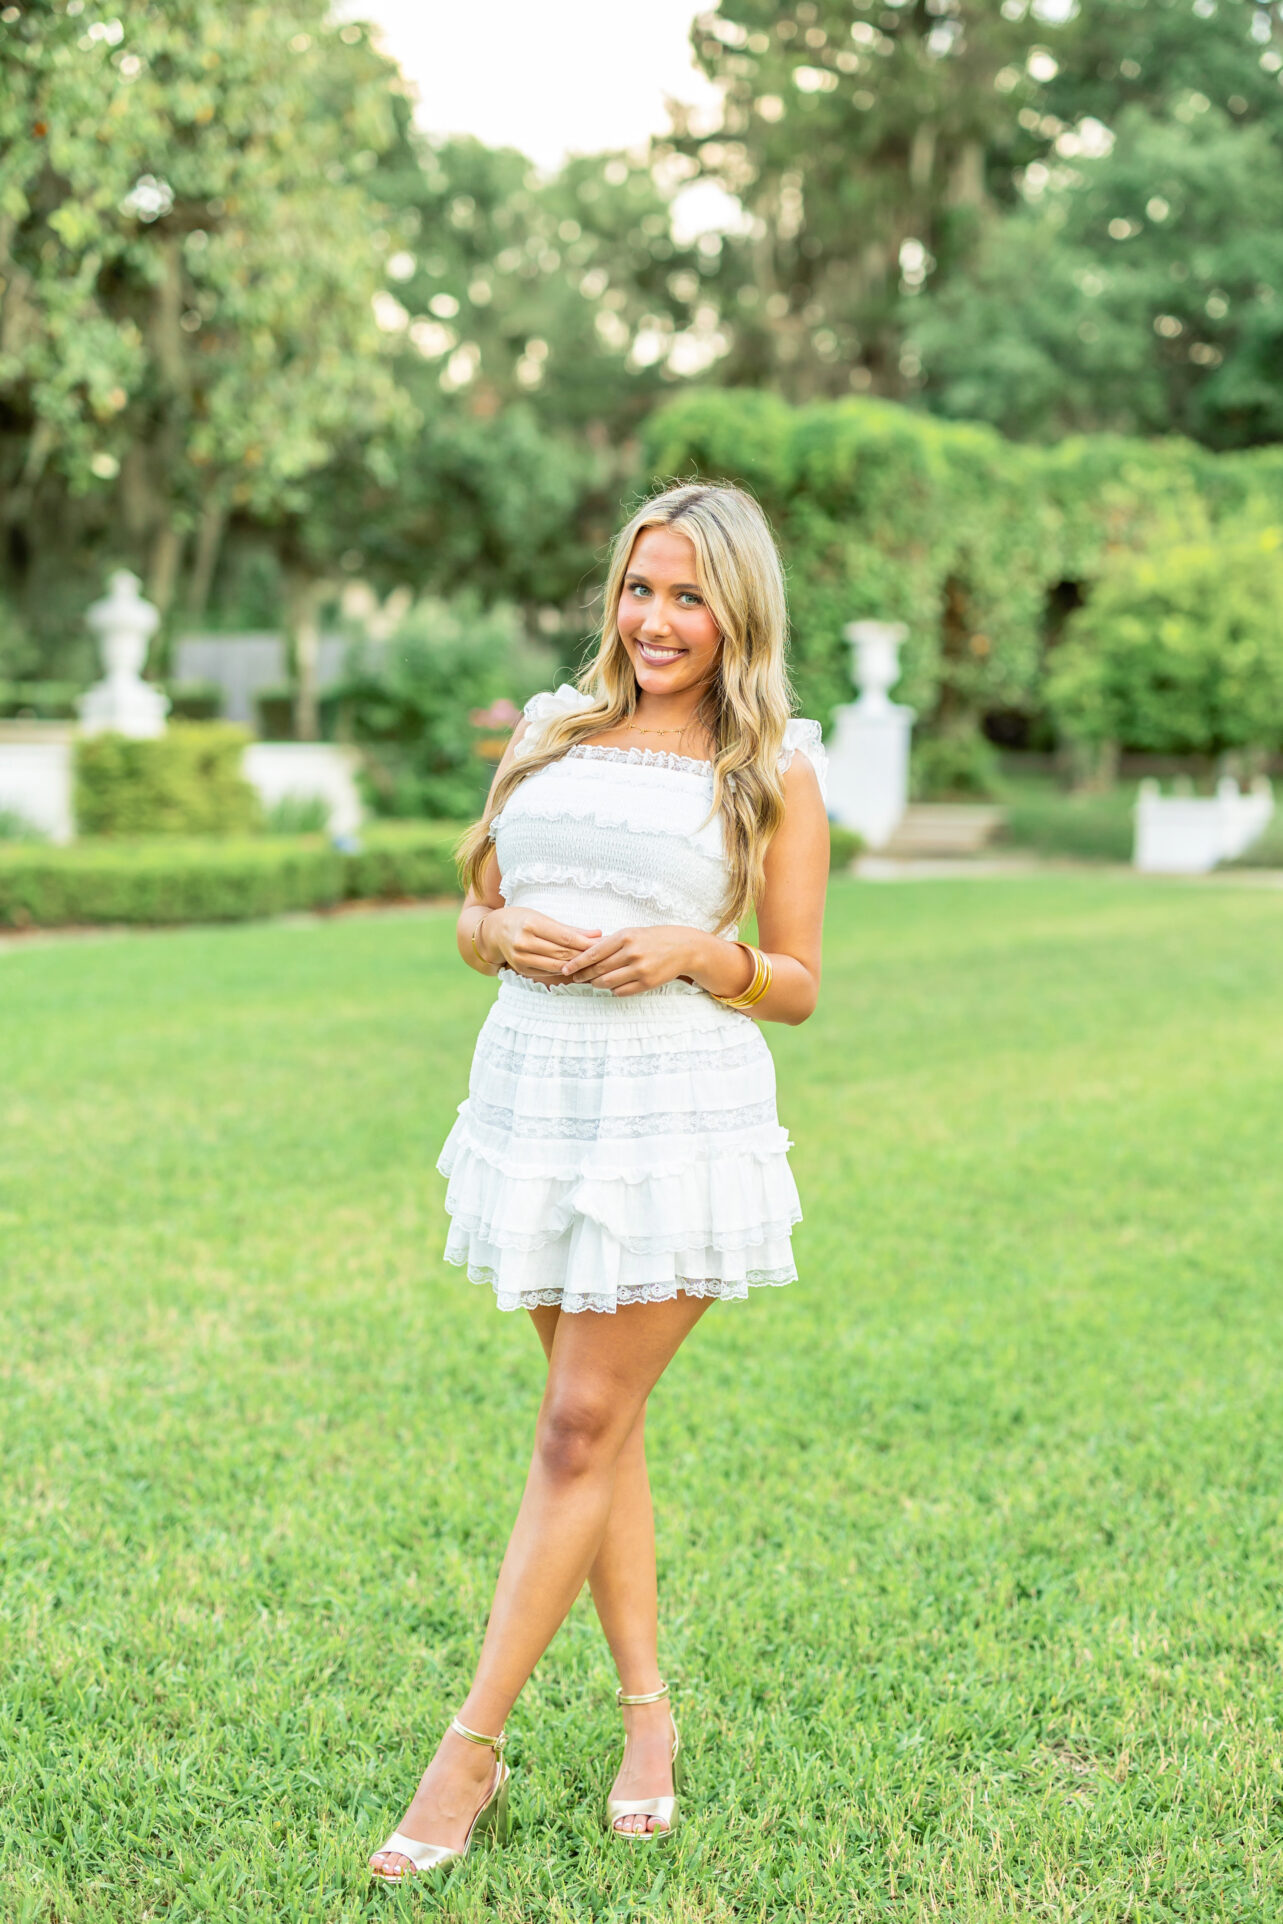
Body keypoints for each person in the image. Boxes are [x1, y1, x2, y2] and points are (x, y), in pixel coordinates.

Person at [368, 481, 829, 1882]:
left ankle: (471, 1749)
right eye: (641, 588)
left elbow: (797, 984)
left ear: (737, 609)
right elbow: (470, 913)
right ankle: (647, 1723)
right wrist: (495, 930)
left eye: (690, 595)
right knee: (598, 1427)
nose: (657, 620)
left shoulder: (775, 763)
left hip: (674, 1113)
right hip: (539, 1098)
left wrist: (694, 953)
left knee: (576, 1426)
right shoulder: (552, 725)